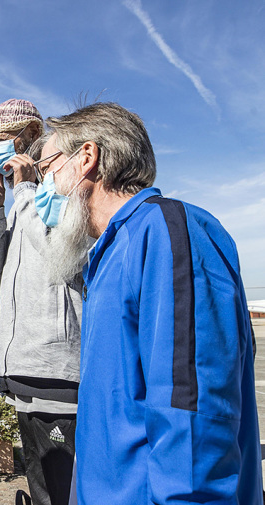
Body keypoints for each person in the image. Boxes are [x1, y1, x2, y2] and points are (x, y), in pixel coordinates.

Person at [36, 102, 262, 504]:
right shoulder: (110, 251)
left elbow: (194, 415)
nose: (44, 185)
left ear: (86, 158)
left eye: (47, 167)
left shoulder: (165, 230)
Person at [0, 99, 81, 505]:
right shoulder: (24, 199)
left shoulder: (56, 188)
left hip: (57, 369)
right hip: (21, 367)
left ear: (31, 136)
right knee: (41, 485)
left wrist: (27, 189)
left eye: (1, 140)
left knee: (63, 486)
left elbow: (65, 257)